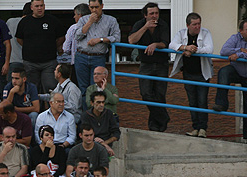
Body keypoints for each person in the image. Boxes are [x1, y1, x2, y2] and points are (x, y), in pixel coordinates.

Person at [169, 13, 213, 138]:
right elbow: (172, 45)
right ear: (188, 25)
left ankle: (203, 129)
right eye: (194, 24)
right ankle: (196, 128)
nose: (197, 27)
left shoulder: (206, 33)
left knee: (202, 101)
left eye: (199, 24)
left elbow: (209, 49)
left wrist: (193, 51)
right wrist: (185, 47)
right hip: (188, 73)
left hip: (202, 74)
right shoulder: (181, 33)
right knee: (192, 102)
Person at [128, 2, 170, 132]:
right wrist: (145, 27)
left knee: (159, 96)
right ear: (145, 15)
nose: (154, 16)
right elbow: (131, 40)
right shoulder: (140, 24)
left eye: (156, 13)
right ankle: (163, 118)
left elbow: (165, 43)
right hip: (146, 64)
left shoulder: (163, 24)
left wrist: (155, 44)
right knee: (146, 93)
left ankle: (156, 126)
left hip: (162, 64)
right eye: (151, 13)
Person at [213, 20, 247, 144]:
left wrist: (239, 54)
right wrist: (240, 50)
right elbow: (224, 51)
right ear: (241, 31)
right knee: (224, 72)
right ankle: (221, 103)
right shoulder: (234, 38)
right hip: (237, 70)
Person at [15, 0, 65, 95]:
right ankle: (35, 108)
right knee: (32, 88)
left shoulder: (52, 20)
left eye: (41, 6)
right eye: (37, 6)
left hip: (49, 62)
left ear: (44, 6)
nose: (39, 8)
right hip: (30, 62)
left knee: (50, 87)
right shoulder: (25, 22)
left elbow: (61, 37)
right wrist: (30, 47)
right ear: (31, 7)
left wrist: (53, 47)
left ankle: (50, 108)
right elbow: (19, 39)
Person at [73, 0, 121, 96]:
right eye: (91, 7)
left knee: (96, 89)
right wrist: (89, 22)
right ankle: (85, 111)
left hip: (98, 57)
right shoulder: (83, 20)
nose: (94, 10)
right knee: (83, 89)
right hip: (82, 56)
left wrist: (101, 39)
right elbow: (77, 36)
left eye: (96, 7)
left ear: (102, 6)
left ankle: (94, 111)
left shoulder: (111, 20)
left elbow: (117, 38)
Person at [63, 3, 90, 75]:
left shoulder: (73, 28)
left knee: (78, 85)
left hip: (77, 62)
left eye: (75, 14)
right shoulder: (95, 27)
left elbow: (66, 48)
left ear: (80, 15)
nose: (74, 17)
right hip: (93, 61)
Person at [6, 3, 31, 75]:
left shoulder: (10, 22)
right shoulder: (31, 23)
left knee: (13, 84)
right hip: (29, 62)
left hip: (13, 60)